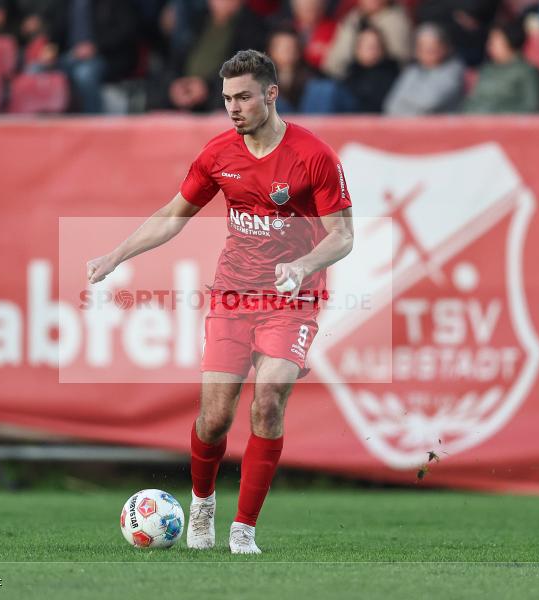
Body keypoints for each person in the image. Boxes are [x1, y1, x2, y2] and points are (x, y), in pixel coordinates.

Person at [86, 49, 354, 554]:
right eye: (228, 98)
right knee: (214, 419)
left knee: (269, 400)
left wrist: (303, 265)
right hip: (233, 295)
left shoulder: (314, 156)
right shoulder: (218, 155)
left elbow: (343, 236)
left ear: (271, 94)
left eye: (244, 97)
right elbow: (173, 215)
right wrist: (116, 255)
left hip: (291, 297)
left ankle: (243, 529)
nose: (233, 108)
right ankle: (203, 504)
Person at [383, 23, 465, 116]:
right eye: (422, 48)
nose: (426, 52)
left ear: (445, 48)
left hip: (441, 124)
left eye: (432, 48)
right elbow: (391, 104)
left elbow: (428, 103)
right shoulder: (412, 71)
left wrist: (406, 105)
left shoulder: (453, 70)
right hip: (406, 122)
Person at [464, 20, 539, 114]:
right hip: (475, 120)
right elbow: (472, 100)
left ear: (510, 41)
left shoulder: (527, 71)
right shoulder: (487, 70)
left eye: (494, 41)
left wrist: (494, 114)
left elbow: (531, 106)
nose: (489, 46)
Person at [322, 0, 411, 79]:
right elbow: (332, 62)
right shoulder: (353, 17)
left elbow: (399, 65)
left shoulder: (396, 23)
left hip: (375, 82)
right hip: (342, 78)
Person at [341, 25, 400, 113]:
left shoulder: (390, 73)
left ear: (382, 49)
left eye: (375, 45)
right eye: (367, 45)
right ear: (357, 49)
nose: (372, 50)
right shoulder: (351, 71)